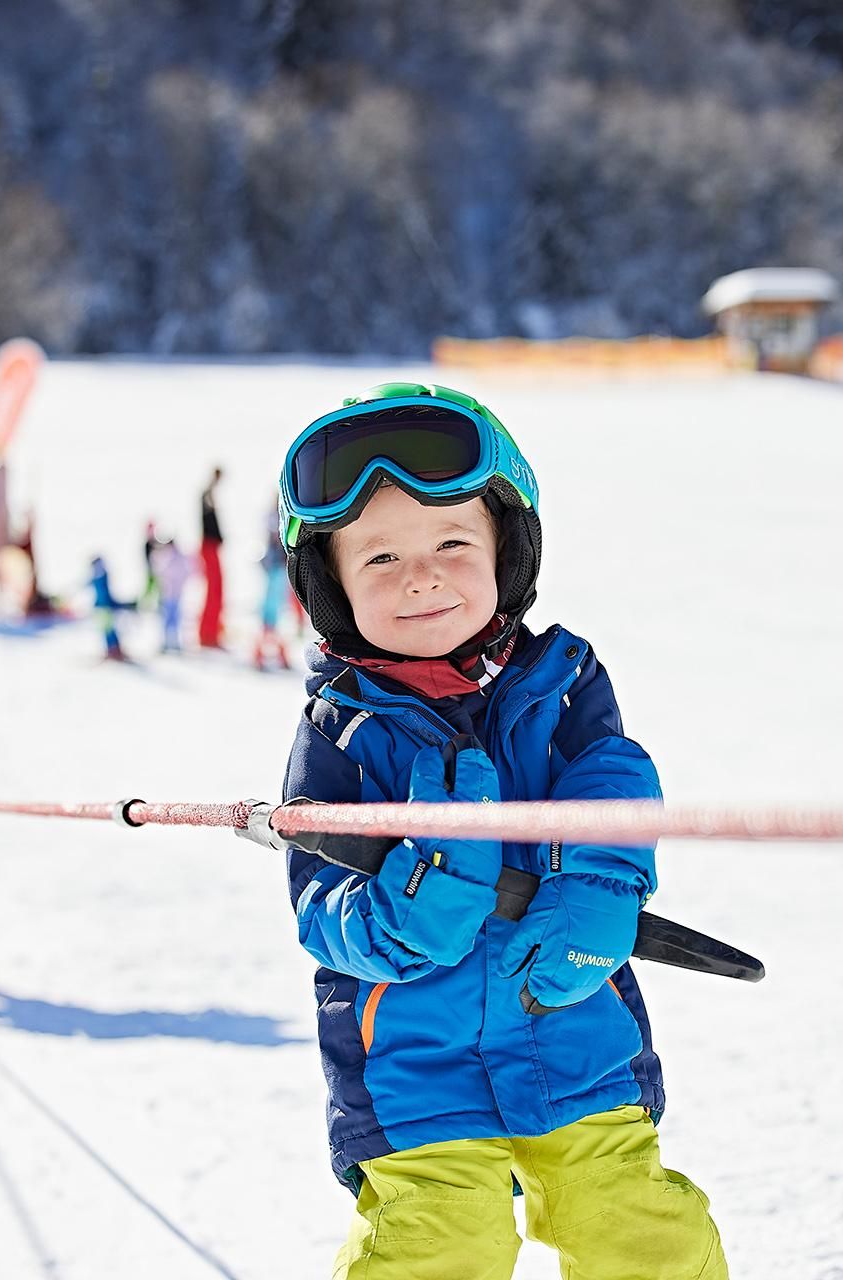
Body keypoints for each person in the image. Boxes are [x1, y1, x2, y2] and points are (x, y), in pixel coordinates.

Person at [276, 383, 727, 1278]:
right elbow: (319, 908)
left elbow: (611, 781)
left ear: (505, 552)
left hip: (571, 1026)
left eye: (452, 541)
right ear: (330, 585)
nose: (422, 575)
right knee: (436, 1246)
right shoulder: (338, 732)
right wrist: (408, 912)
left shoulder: (561, 683)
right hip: (412, 1068)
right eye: (379, 559)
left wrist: (601, 886)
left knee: (636, 1230)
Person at [253, 506, 292, 671]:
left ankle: (272, 655)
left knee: (274, 616)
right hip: (276, 568)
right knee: (271, 616)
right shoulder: (275, 520)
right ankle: (262, 655)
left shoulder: (276, 520)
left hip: (278, 569)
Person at [197, 466, 226, 648]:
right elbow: (205, 496)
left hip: (211, 547)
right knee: (214, 591)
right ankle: (207, 634)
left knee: (217, 590)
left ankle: (213, 631)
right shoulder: (207, 494)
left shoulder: (209, 494)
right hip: (209, 547)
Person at [150, 531, 192, 654]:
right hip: (169, 594)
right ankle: (168, 642)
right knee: (168, 619)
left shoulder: (173, 557)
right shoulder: (166, 556)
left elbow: (183, 573)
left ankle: (173, 642)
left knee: (174, 619)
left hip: (173, 594)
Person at [87, 554, 133, 661]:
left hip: (105, 607)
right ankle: (112, 649)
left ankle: (114, 650)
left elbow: (104, 594)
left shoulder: (101, 575)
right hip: (102, 607)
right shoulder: (98, 575)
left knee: (109, 630)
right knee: (107, 629)